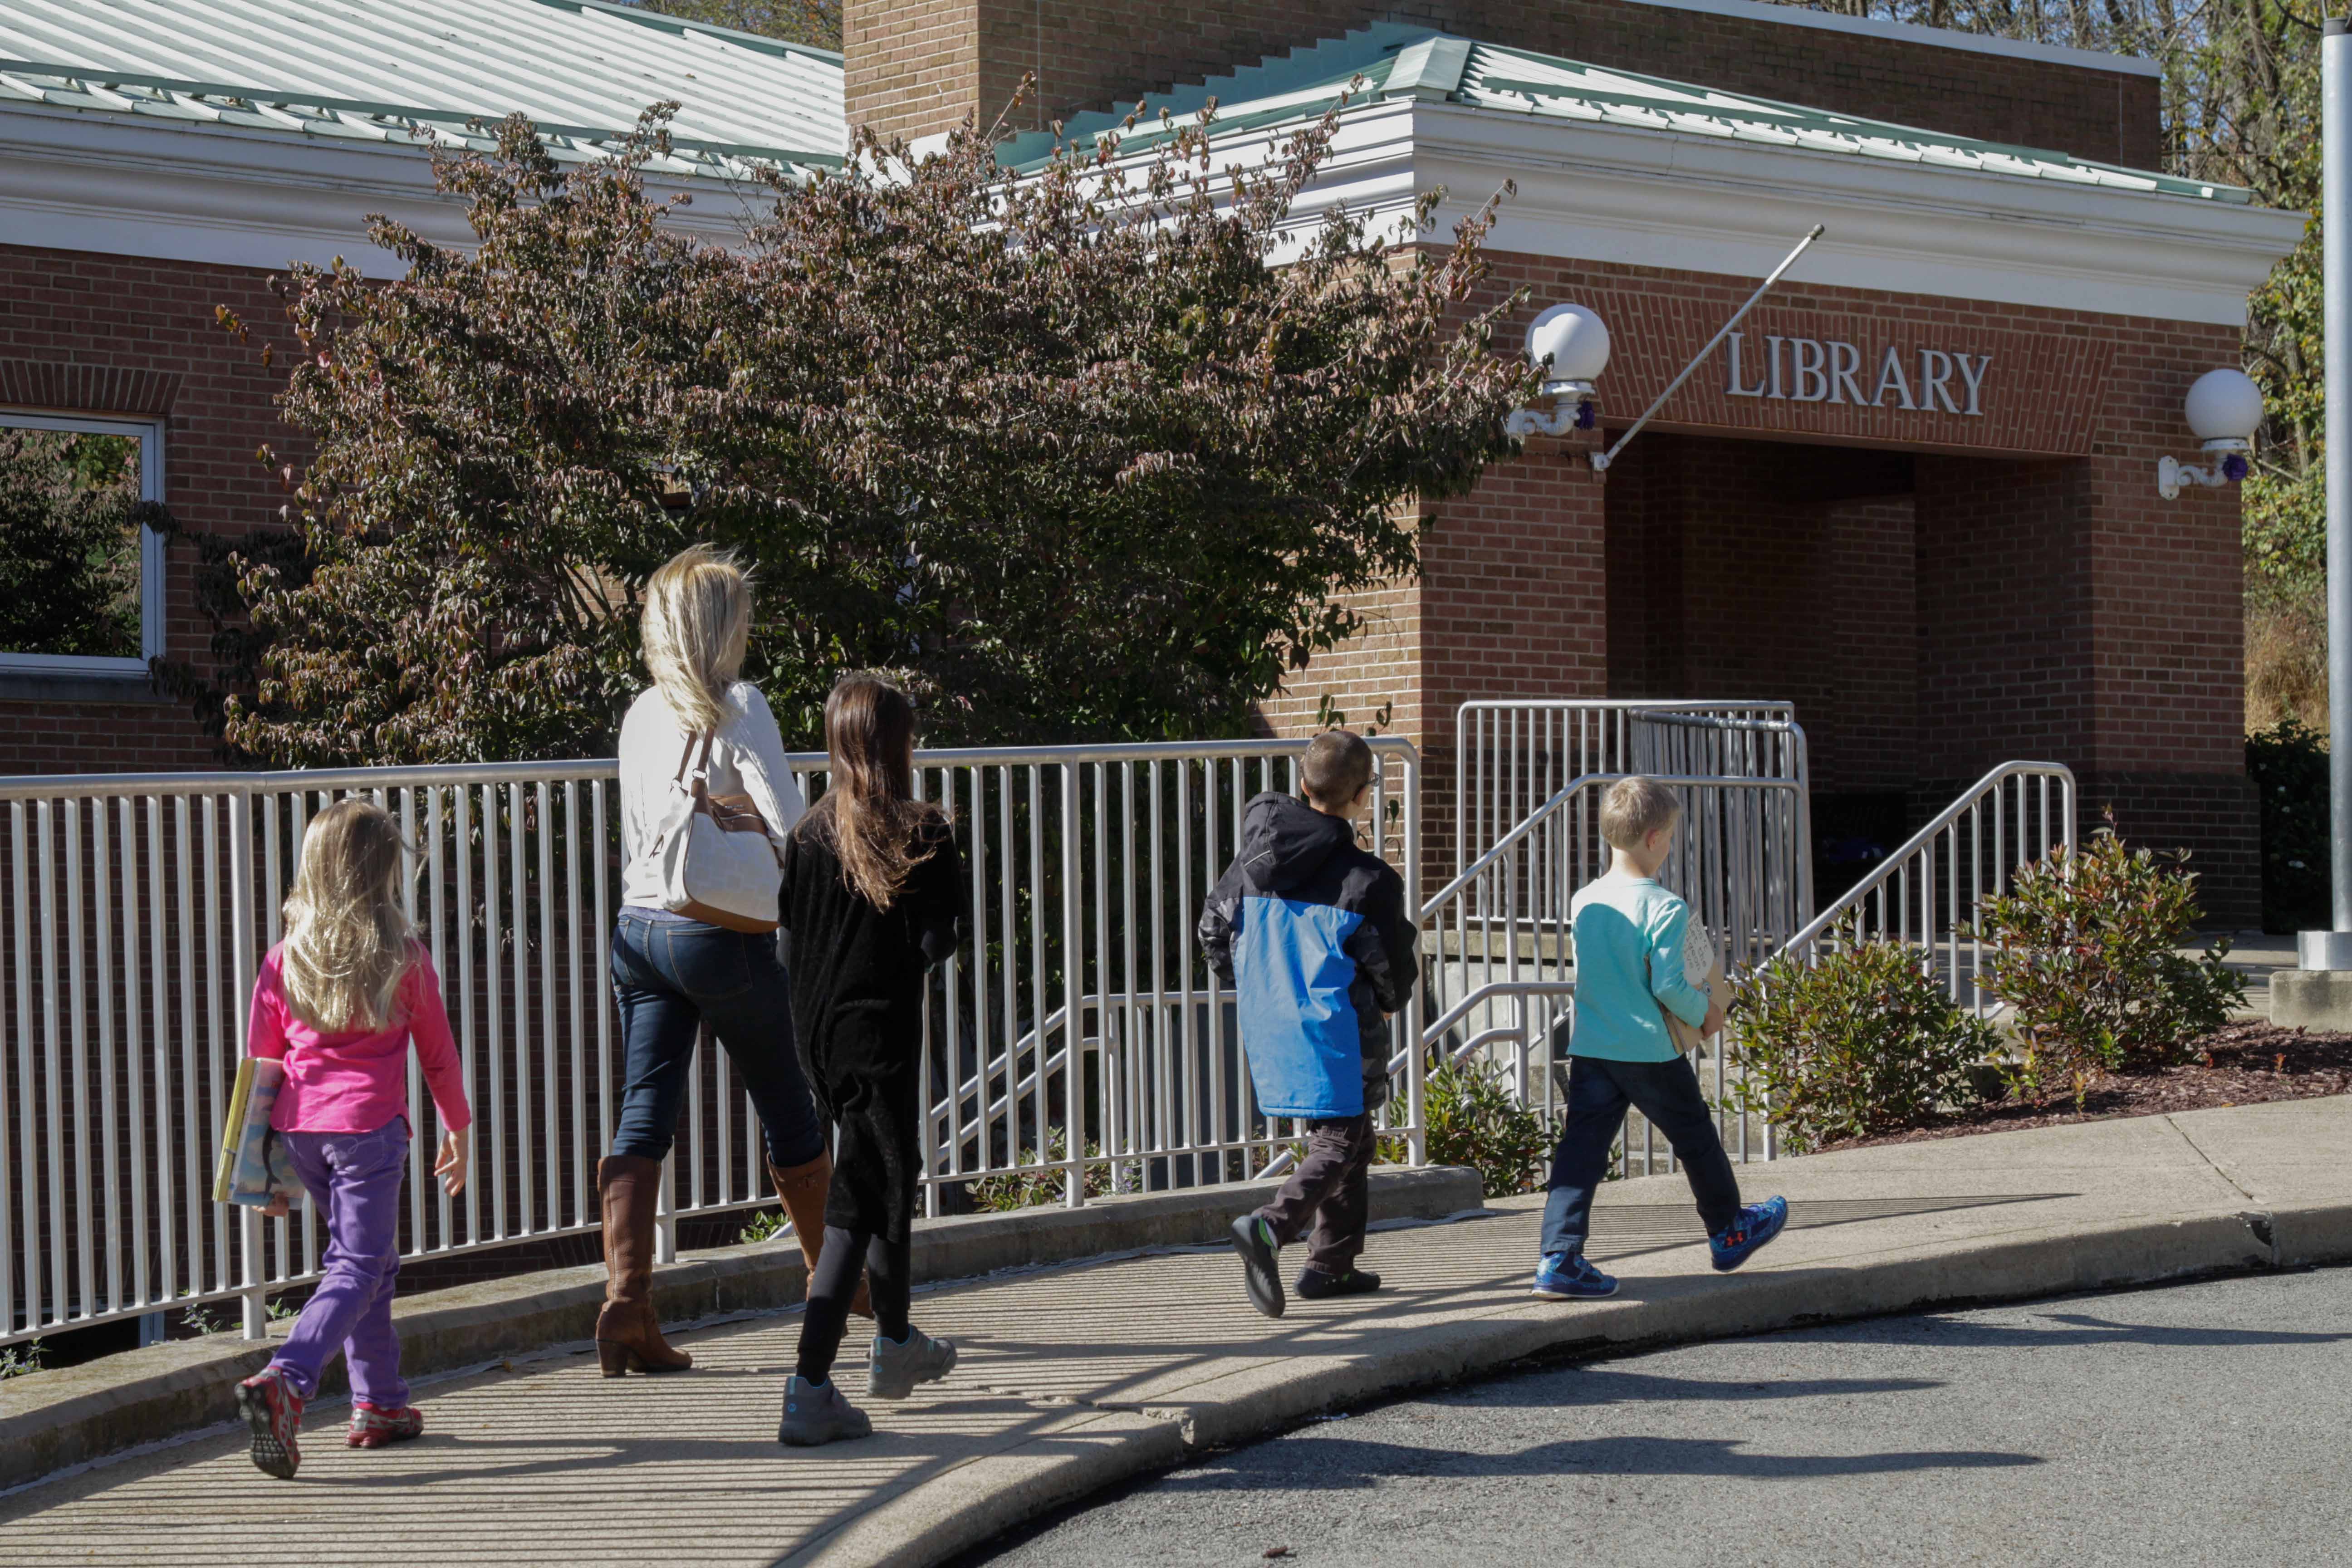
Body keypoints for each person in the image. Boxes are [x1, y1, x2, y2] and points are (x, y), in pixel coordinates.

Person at [605, 544, 854, 1378]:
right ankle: (834, 1287)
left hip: (639, 929)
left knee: (645, 1110)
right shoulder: (739, 705)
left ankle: (627, 1305)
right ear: (721, 628)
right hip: (720, 936)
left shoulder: (640, 712)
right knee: (788, 1107)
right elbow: (793, 821)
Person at [233, 798, 472, 1480]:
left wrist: (263, 1171)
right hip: (369, 1134)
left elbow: (262, 1067)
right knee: (358, 1266)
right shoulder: (403, 957)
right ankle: (288, 1377)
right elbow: (438, 1057)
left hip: (303, 1133)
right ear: (384, 875)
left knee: (373, 1265)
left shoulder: (285, 959)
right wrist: (459, 1128)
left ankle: (380, 1403)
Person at [775, 673, 966, 1446]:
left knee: (887, 1173)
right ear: (898, 743)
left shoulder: (806, 832)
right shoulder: (921, 829)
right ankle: (810, 1382)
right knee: (856, 1203)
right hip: (878, 1037)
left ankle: (894, 1345)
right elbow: (937, 939)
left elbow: (789, 940)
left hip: (815, 1036)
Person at [1532, 776, 1787, 1301]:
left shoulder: (1585, 900)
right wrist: (1709, 1012)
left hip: (1592, 1046)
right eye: (1669, 837)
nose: (1669, 848)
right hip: (1648, 1048)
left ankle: (1559, 1257)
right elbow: (1669, 984)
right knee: (1694, 1137)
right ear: (1653, 838)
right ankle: (1728, 1229)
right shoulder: (1666, 907)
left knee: (1579, 1153)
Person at [1200, 729, 1416, 1320]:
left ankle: (1331, 1265)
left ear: (1303, 784)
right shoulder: (1367, 880)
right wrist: (1392, 999)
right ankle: (1271, 1227)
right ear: (1363, 796)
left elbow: (1214, 931)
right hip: (1337, 1027)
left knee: (1354, 1134)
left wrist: (1258, 986)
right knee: (1341, 1136)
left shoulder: (1250, 865)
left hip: (1271, 1016)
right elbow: (1392, 962)